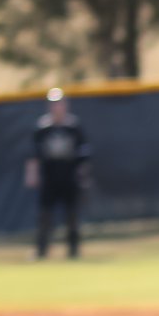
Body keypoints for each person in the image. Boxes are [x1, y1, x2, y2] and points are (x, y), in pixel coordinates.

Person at [25, 88, 91, 259]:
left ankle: (73, 251)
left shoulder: (73, 126)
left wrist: (83, 175)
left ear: (65, 105)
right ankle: (41, 251)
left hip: (69, 177)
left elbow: (83, 155)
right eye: (54, 104)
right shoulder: (42, 128)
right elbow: (33, 154)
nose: (57, 107)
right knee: (45, 216)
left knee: (72, 216)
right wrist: (32, 174)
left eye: (60, 103)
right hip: (50, 177)